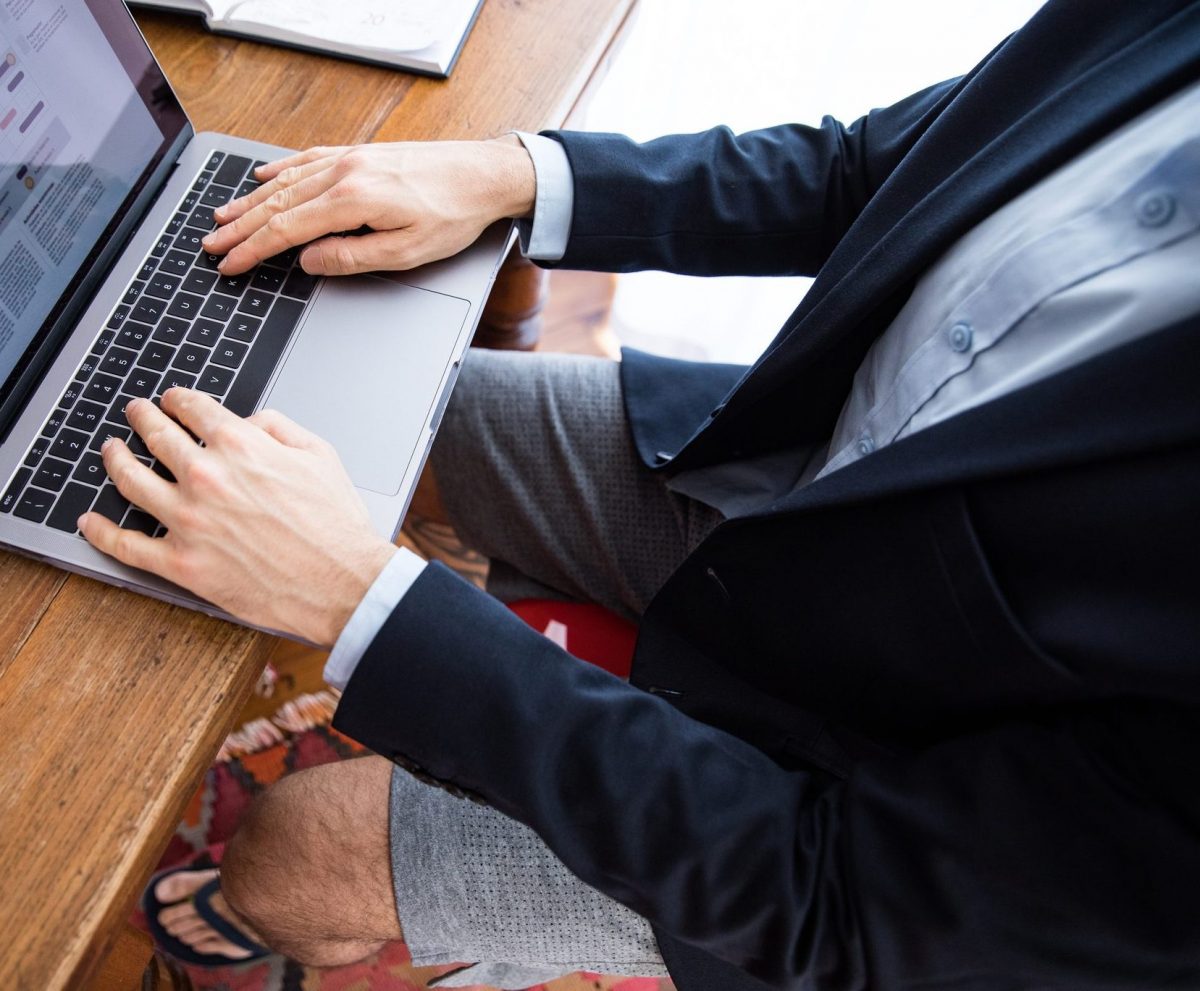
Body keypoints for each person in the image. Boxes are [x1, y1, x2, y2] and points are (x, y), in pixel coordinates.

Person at [91, 0, 1200, 987]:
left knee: (285, 861)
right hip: (797, 499)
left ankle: (343, 919)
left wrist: (367, 601)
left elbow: (838, 904)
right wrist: (516, 174)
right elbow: (881, 168)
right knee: (388, 404)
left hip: (855, 806)